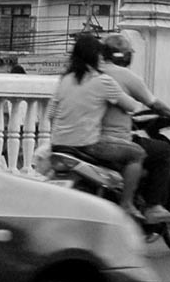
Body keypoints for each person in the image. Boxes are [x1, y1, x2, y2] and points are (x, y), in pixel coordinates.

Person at [47, 32, 147, 220]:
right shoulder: (102, 80)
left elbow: (50, 114)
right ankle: (126, 204)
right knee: (137, 154)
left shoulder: (64, 80)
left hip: (58, 146)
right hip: (87, 145)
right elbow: (132, 106)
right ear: (96, 56)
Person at [99, 32, 170, 224]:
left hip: (88, 137)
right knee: (163, 151)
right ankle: (153, 206)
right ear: (125, 56)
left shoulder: (92, 73)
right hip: (116, 140)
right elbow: (153, 104)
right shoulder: (126, 76)